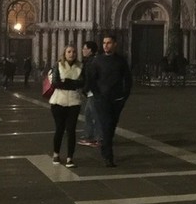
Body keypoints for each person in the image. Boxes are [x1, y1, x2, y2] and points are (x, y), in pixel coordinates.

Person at [84, 35, 133, 167]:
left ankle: (105, 149)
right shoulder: (97, 60)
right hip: (102, 99)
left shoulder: (121, 61)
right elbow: (91, 80)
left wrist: (124, 96)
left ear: (115, 44)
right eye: (104, 43)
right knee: (106, 125)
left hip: (117, 99)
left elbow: (128, 79)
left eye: (109, 43)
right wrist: (97, 96)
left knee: (111, 126)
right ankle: (108, 156)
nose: (106, 45)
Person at [47, 45, 84, 169]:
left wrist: (67, 82)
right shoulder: (57, 65)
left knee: (71, 130)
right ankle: (56, 154)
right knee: (59, 129)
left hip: (74, 102)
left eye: (74, 52)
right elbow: (55, 82)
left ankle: (70, 158)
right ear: (64, 53)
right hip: (58, 102)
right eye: (69, 52)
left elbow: (83, 82)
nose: (71, 54)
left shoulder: (80, 66)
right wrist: (72, 83)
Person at [78, 41, 101, 148]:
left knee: (95, 115)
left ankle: (98, 138)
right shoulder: (89, 61)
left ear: (90, 50)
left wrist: (85, 90)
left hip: (94, 92)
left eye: (84, 48)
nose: (83, 50)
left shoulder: (92, 61)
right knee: (88, 114)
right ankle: (90, 135)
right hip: (92, 92)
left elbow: (90, 78)